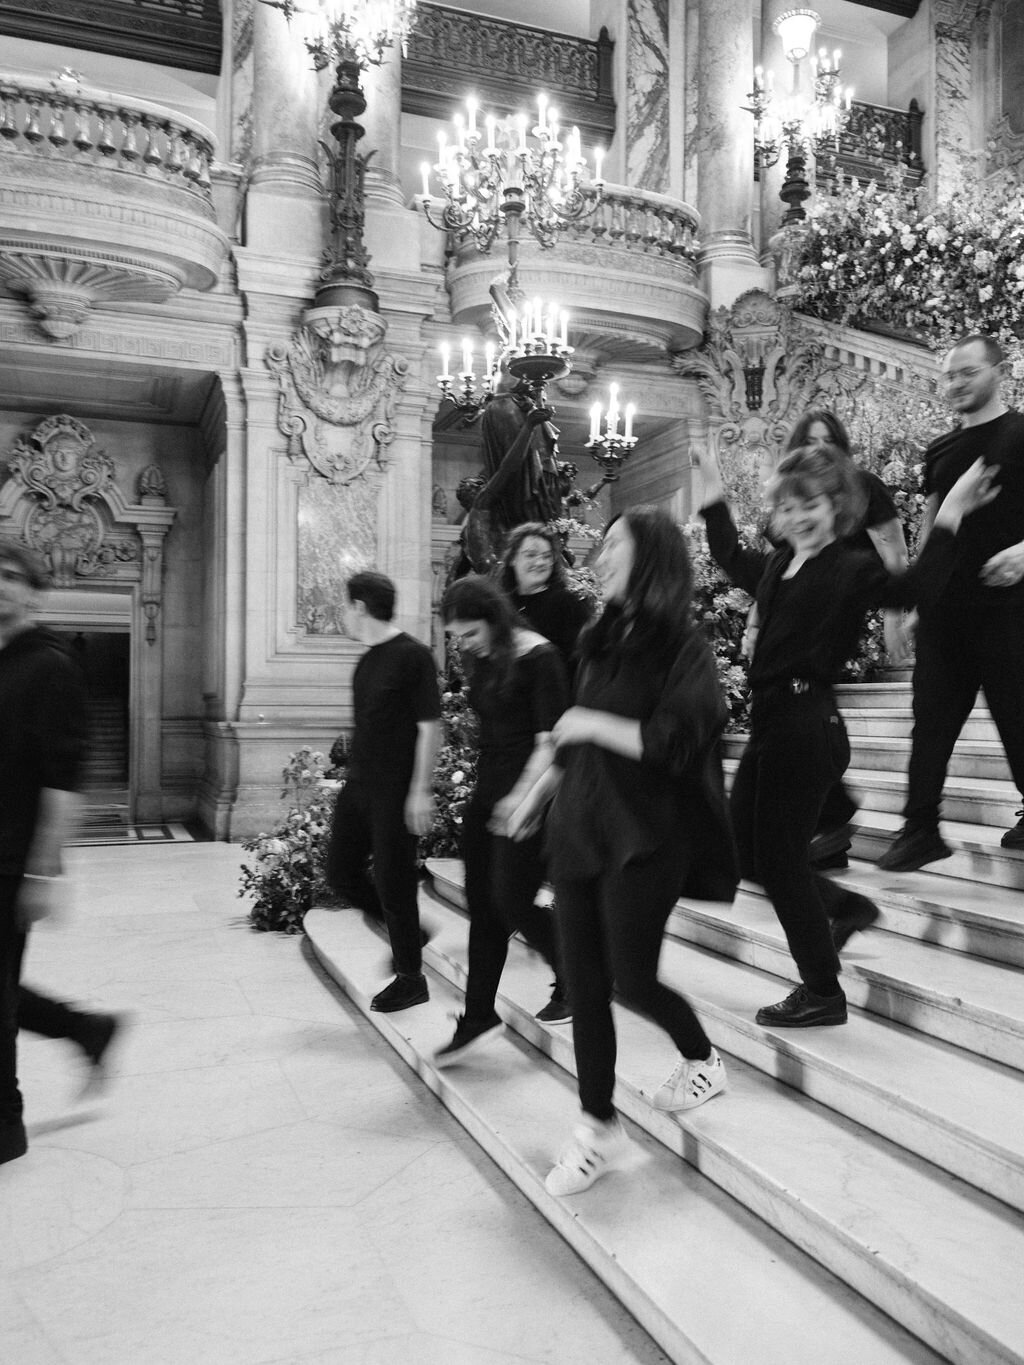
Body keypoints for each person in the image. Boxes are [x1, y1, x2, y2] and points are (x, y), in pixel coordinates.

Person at [699, 443, 998, 1031]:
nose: (796, 517)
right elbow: (729, 552)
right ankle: (845, 907)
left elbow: (914, 588)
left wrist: (951, 512)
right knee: (747, 854)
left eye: (808, 504)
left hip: (808, 727)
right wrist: (710, 490)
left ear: (835, 506)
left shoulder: (847, 566)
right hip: (771, 726)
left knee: (781, 864)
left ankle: (821, 992)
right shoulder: (783, 564)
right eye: (786, 507)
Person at [507, 509, 738, 1197]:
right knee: (584, 984)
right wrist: (536, 794)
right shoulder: (599, 638)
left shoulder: (683, 646)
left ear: (652, 557)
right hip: (581, 826)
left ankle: (702, 1057)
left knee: (631, 979)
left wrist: (586, 721)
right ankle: (597, 1124)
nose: (598, 555)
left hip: (648, 835)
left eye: (613, 544)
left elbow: (674, 741)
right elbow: (577, 740)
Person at [879, 334, 1024, 871]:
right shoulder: (939, 450)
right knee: (931, 722)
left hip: (1011, 609)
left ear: (999, 371)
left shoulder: (1021, 432)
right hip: (946, 611)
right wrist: (914, 596)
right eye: (949, 375)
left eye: (967, 372)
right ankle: (920, 829)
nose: (956, 384)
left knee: (1018, 716)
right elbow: (930, 522)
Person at [0, 539, 120, 1166]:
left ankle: (5, 1126)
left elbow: (62, 777)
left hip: (10, 860)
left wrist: (43, 868)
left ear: (33, 591)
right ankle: (86, 1028)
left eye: (10, 575)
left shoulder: (50, 666)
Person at [433, 575, 570, 1065]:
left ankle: (573, 968)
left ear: (493, 619)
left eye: (469, 633)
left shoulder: (542, 658)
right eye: (456, 637)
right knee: (483, 906)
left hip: (532, 792)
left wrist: (520, 800)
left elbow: (551, 743)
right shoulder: (487, 657)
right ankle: (477, 1016)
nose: (462, 645)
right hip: (489, 788)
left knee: (512, 898)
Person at [786, 411, 910, 869]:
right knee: (805, 713)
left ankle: (832, 818)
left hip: (841, 607)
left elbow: (893, 548)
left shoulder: (863, 486)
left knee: (808, 707)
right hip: (797, 610)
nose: (819, 452)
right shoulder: (794, 495)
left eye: (828, 442)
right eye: (809, 443)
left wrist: (895, 615)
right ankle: (828, 826)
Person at [325, 571, 441, 1013]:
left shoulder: (413, 657)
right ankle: (410, 935)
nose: (344, 615)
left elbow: (431, 728)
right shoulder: (366, 661)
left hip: (396, 791)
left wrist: (420, 790)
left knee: (395, 887)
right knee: (340, 872)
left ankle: (412, 979)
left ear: (359, 607)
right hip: (360, 787)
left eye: (345, 606)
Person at [498, 521, 592, 676]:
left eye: (547, 556)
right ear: (512, 559)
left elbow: (582, 663)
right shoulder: (502, 605)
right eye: (531, 555)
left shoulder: (568, 604)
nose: (540, 562)